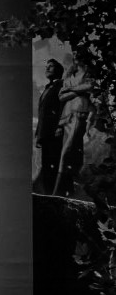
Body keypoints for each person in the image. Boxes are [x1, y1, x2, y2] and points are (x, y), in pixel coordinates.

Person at [54, 55, 92, 198]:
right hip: (66, 117)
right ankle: (70, 187)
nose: (76, 56)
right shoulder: (69, 75)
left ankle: (59, 188)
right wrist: (78, 90)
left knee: (68, 151)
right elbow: (61, 96)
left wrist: (70, 90)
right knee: (72, 151)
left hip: (80, 113)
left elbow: (89, 86)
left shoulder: (88, 73)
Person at [34, 57, 64, 193]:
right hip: (45, 133)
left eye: (51, 66)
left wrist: (60, 126)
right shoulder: (48, 88)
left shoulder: (61, 86)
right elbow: (42, 113)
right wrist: (38, 134)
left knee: (53, 163)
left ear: (58, 70)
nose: (47, 68)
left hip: (54, 132)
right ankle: (48, 192)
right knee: (46, 164)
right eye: (47, 66)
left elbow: (63, 107)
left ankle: (53, 193)